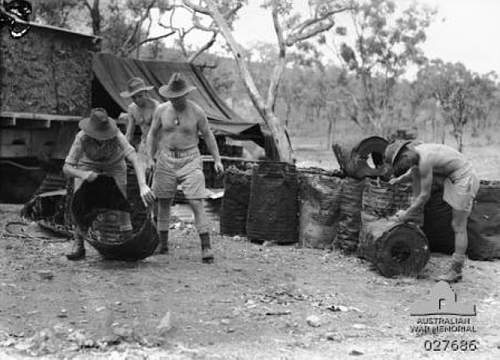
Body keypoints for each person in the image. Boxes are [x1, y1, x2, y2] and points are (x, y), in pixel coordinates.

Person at [146, 73, 224, 262]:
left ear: (185, 95)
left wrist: (217, 159)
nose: (174, 100)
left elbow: (208, 135)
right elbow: (152, 134)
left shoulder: (197, 112)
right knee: (163, 201)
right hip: (165, 158)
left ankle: (206, 247)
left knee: (196, 202)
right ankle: (162, 243)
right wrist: (150, 157)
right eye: (171, 97)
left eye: (178, 97)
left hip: (190, 159)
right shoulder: (161, 110)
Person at [63, 108, 155, 260]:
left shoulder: (117, 134)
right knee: (80, 202)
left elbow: (135, 158)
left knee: (121, 202)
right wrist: (83, 174)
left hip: (115, 165)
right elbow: (67, 168)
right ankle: (78, 243)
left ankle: (128, 240)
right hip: (87, 165)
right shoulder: (81, 138)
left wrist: (143, 185)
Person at [385, 141, 479, 282]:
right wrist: (399, 179)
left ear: (406, 151)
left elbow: (424, 195)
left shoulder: (425, 159)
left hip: (465, 178)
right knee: (416, 173)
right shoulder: (417, 154)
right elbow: (413, 170)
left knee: (458, 226)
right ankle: (413, 220)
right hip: (453, 177)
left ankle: (456, 270)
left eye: (403, 159)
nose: (404, 163)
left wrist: (406, 214)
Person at [119, 77, 160, 168]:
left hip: (159, 144)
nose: (137, 100)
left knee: (157, 174)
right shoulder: (132, 108)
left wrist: (150, 158)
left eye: (140, 96)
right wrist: (122, 152)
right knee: (142, 171)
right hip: (144, 143)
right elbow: (129, 134)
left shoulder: (156, 107)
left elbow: (153, 133)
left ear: (146, 93)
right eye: (134, 97)